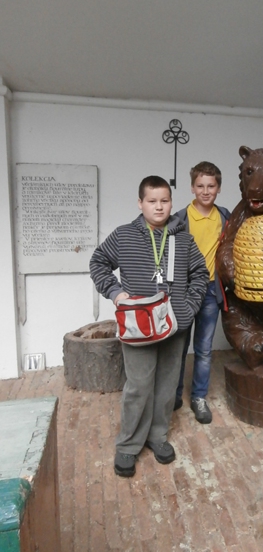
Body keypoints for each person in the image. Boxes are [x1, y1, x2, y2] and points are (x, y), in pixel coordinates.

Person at [90, 176, 209, 477]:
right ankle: (128, 445)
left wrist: (188, 308)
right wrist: (116, 294)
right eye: (152, 201)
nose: (159, 207)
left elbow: (201, 274)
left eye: (164, 201)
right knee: (138, 386)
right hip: (138, 328)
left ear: (171, 203)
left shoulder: (184, 239)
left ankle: (158, 436)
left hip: (174, 327)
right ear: (140, 203)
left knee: (167, 386)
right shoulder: (124, 235)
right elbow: (98, 262)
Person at [174, 161, 230, 424]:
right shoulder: (179, 219)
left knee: (204, 349)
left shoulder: (225, 217)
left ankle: (198, 397)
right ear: (192, 188)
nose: (206, 191)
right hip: (184, 292)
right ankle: (174, 394)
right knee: (178, 346)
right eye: (200, 186)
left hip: (210, 290)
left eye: (211, 186)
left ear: (218, 188)